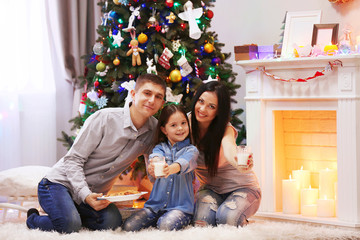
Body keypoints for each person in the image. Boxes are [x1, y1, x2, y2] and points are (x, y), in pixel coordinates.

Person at [26, 74, 166, 233]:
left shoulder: (154, 130)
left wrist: (156, 170)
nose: (152, 100)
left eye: (158, 96)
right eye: (147, 93)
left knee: (112, 221)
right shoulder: (105, 118)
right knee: (69, 225)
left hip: (95, 195)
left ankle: (70, 213)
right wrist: (85, 195)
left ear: (162, 103)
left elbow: (153, 170)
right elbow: (73, 160)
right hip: (59, 184)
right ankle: (33, 218)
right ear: (133, 95)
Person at [190, 81, 261, 227]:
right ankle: (223, 210)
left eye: (211, 106)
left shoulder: (225, 129)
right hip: (210, 190)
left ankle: (242, 221)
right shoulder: (185, 124)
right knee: (202, 223)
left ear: (218, 111)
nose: (202, 109)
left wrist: (238, 163)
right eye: (201, 101)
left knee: (226, 219)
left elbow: (229, 148)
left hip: (243, 188)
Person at [123, 103, 199, 231]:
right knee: (129, 226)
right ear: (164, 129)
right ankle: (157, 219)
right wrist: (153, 166)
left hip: (181, 209)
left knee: (165, 225)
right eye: (173, 125)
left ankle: (166, 221)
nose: (180, 128)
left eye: (183, 123)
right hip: (154, 207)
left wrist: (170, 169)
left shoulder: (191, 150)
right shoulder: (159, 148)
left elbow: (184, 163)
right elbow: (156, 156)